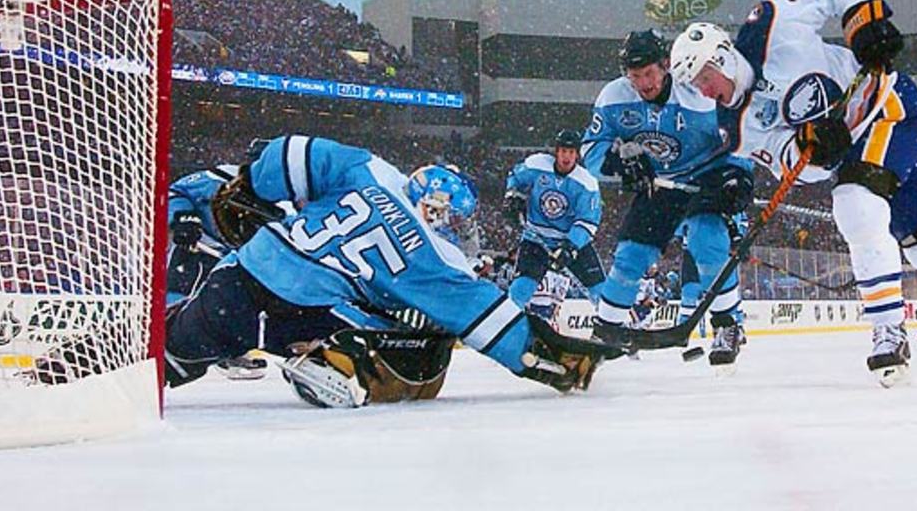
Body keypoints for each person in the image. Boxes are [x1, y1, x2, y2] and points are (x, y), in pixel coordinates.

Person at [669, 0, 917, 385]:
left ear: (721, 57)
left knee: (855, 203)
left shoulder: (768, 26)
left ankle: (888, 331)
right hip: (857, 149)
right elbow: (797, 169)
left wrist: (864, 23)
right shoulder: (735, 130)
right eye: (694, 85)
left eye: (704, 77)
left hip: (888, 107)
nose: (703, 90)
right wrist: (812, 148)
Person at [158, 134, 619, 407]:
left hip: (238, 279)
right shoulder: (433, 259)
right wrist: (547, 359)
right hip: (302, 313)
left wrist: (257, 182)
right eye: (456, 219)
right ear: (439, 209)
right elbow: (487, 321)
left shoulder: (370, 169)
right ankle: (337, 364)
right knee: (412, 343)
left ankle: (137, 363)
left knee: (169, 355)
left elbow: (292, 152)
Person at [582, 29, 754, 371]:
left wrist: (738, 175)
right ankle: (605, 331)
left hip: (710, 172)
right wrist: (618, 162)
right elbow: (591, 150)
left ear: (665, 65)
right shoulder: (614, 97)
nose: (643, 84)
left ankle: (728, 325)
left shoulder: (698, 92)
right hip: (660, 181)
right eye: (634, 76)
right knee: (630, 255)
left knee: (706, 238)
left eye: (649, 73)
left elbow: (743, 136)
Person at [164, 138, 286, 380]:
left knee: (234, 304)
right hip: (200, 248)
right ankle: (159, 345)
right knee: (184, 294)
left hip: (239, 258)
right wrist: (184, 217)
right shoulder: (221, 177)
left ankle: (227, 349)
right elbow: (176, 192)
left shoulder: (287, 197)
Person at [503, 128, 605, 308]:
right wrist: (512, 195)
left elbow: (588, 221)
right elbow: (515, 177)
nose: (567, 157)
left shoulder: (587, 183)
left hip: (569, 241)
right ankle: (508, 319)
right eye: (563, 151)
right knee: (521, 289)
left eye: (571, 152)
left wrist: (570, 247)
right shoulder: (537, 164)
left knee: (599, 289)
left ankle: (614, 321)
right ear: (556, 152)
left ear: (577, 155)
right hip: (535, 238)